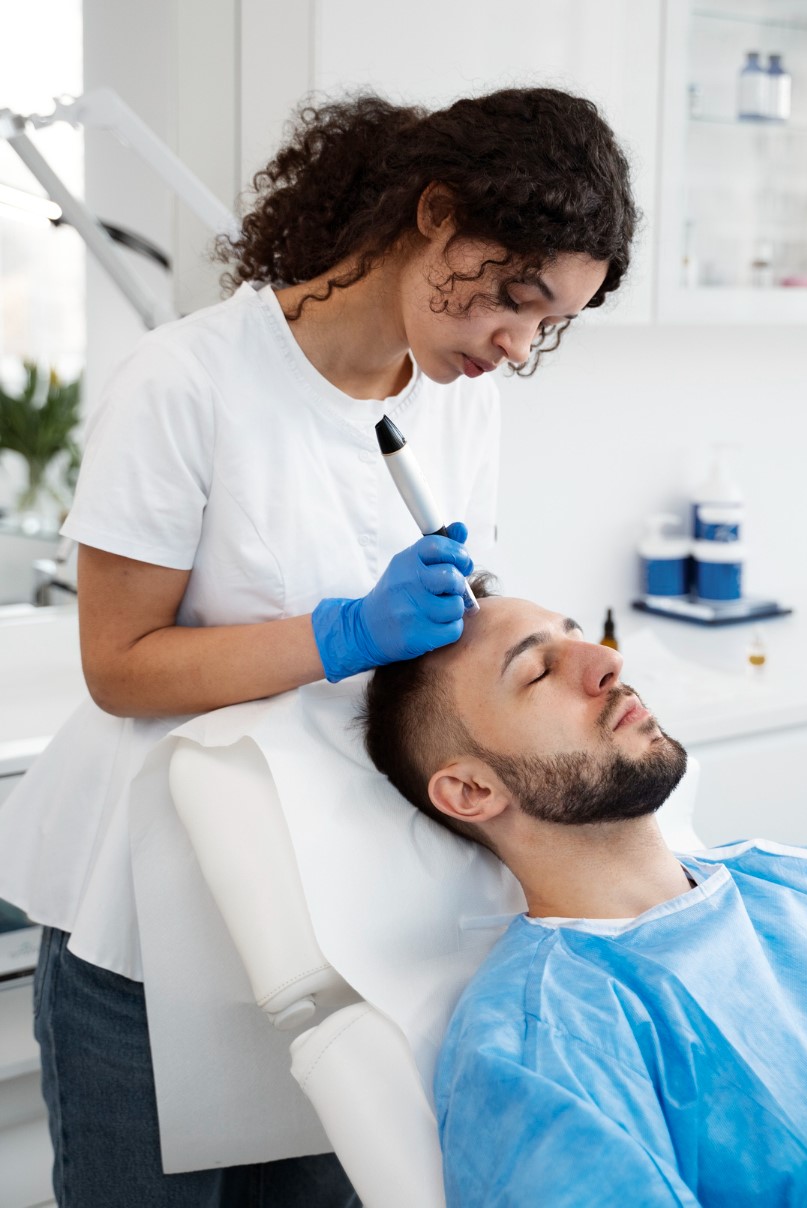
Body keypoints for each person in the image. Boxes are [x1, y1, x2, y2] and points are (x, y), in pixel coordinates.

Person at [0, 88, 636, 1206]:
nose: (516, 344)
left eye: (549, 324)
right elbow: (121, 666)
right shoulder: (188, 380)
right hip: (149, 913)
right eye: (515, 297)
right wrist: (342, 634)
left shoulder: (460, 398)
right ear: (436, 213)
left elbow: (461, 621)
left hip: (340, 911)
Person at [361, 577, 807, 1207]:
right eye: (538, 672)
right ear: (472, 791)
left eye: (577, 636)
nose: (607, 662)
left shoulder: (803, 874)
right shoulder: (546, 1035)